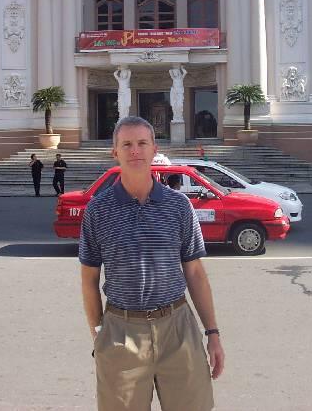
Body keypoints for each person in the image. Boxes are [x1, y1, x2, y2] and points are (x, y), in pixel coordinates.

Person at [80, 116, 224, 411]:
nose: (135, 151)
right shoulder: (98, 210)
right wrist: (98, 333)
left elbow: (195, 273)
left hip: (178, 328)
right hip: (122, 330)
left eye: (142, 143)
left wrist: (213, 334)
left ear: (153, 149)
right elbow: (88, 279)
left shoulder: (178, 206)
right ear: (115, 152)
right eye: (127, 144)